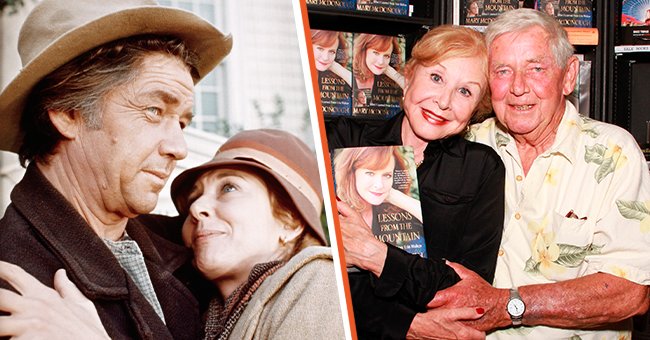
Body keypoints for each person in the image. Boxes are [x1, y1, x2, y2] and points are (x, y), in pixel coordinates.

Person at [0, 0, 232, 338]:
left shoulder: (194, 246)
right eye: (154, 110)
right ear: (67, 111)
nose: (179, 148)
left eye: (181, 123)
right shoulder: (14, 287)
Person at [426, 9, 650, 339]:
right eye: (503, 70)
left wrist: (505, 305)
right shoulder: (463, 144)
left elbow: (630, 293)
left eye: (536, 68)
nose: (518, 87)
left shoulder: (614, 154)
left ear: (569, 75)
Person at [327, 25, 505, 339]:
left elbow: (469, 289)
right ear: (409, 74)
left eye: (465, 91)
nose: (444, 101)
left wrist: (374, 255)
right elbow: (322, 268)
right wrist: (405, 324)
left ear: (477, 108)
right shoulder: (345, 139)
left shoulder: (481, 168)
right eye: (436, 77)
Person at [169, 129, 345, 339]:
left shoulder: (321, 282)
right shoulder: (201, 315)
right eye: (193, 197)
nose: (196, 207)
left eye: (229, 188)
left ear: (290, 223)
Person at [352, 33, 405, 108]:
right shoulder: (350, 74)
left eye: (386, 56)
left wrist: (395, 76)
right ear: (363, 51)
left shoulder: (386, 80)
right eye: (376, 53)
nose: (381, 62)